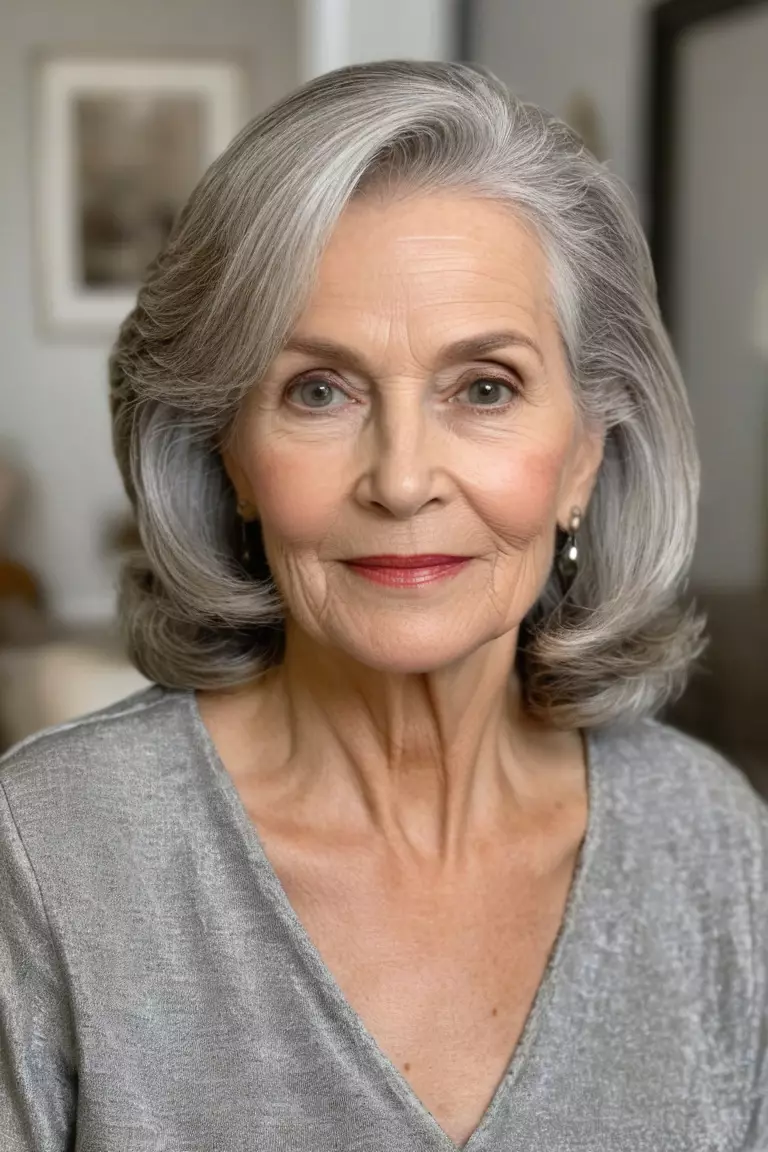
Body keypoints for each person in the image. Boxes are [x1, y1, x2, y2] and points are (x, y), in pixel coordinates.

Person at [1, 59, 766, 1151]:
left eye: (485, 388)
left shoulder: (715, 846)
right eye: (319, 391)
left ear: (586, 455)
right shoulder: (49, 850)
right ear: (232, 454)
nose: (402, 481)